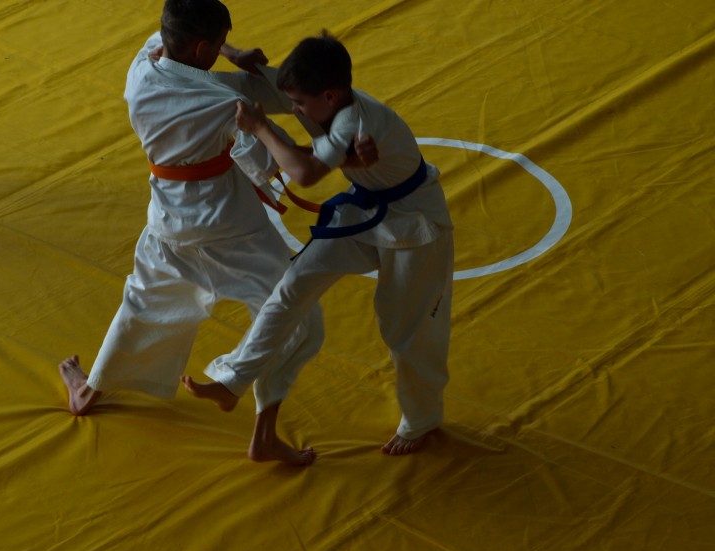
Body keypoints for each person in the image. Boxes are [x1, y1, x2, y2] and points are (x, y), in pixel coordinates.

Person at [60, 2, 375, 465]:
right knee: (294, 316)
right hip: (229, 227)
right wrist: (348, 156)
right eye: (218, 44)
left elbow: (171, 39)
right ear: (201, 47)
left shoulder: (142, 67)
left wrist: (232, 51)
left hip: (168, 217)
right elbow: (286, 159)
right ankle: (260, 428)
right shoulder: (221, 101)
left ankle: (88, 391)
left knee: (144, 302)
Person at [184, 32, 455, 458]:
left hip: (416, 226)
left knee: (406, 330)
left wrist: (259, 128)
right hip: (364, 212)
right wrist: (230, 51)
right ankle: (232, 381)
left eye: (299, 104)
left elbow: (305, 173)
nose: (293, 109)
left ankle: (421, 418)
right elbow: (269, 83)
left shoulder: (353, 123)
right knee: (292, 285)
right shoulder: (316, 93)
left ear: (330, 95)